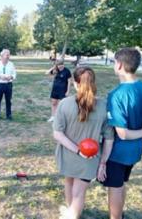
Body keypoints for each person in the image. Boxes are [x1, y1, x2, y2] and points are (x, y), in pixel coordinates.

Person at [101, 48, 142, 219]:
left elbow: (123, 134)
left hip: (117, 153)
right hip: (135, 152)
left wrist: (141, 133)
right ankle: (119, 214)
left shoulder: (116, 95)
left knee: (115, 187)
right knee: (121, 183)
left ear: (119, 65)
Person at [53, 66, 114, 219]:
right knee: (77, 192)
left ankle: (72, 214)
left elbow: (58, 134)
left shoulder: (64, 104)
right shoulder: (104, 106)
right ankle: (71, 212)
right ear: (93, 83)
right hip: (90, 159)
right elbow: (109, 139)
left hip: (68, 155)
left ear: (74, 83)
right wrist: (103, 163)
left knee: (71, 186)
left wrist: (77, 150)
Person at [0, 49, 16, 120]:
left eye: (9, 55)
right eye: (7, 55)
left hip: (8, 85)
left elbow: (14, 74)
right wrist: (0, 76)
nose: (8, 56)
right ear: (2, 55)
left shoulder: (11, 64)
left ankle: (9, 115)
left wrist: (11, 77)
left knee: (8, 100)